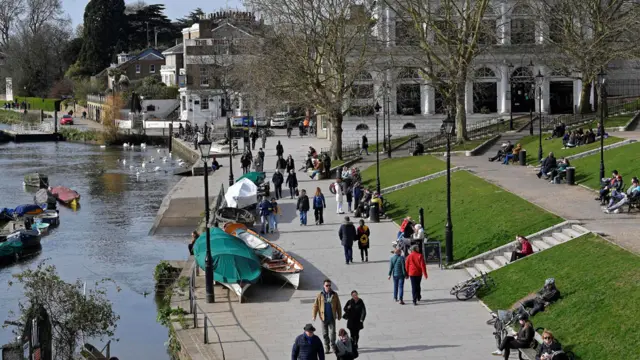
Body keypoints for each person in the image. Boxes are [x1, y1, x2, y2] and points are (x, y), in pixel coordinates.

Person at [312, 279, 342, 354]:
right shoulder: (320, 295)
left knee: (332, 334)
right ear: (323, 286)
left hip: (332, 317)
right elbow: (315, 306)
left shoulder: (334, 294)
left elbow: (338, 305)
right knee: (325, 334)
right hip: (323, 318)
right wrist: (314, 316)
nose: (328, 287)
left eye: (329, 285)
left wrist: (339, 314)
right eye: (326, 285)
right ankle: (326, 347)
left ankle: (333, 346)